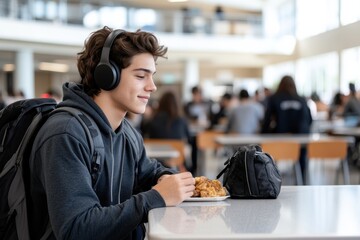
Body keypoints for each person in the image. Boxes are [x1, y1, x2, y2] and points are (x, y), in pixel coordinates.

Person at [28, 26, 195, 240]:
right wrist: (156, 197)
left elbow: (147, 173)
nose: (152, 86)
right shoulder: (66, 133)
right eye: (141, 76)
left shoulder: (126, 132)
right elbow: (76, 229)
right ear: (107, 75)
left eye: (152, 76)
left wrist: (166, 178)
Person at [261, 75, 312, 183]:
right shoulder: (302, 99)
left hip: (279, 139)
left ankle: (270, 181)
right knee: (301, 157)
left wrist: (263, 134)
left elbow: (267, 120)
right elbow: (310, 119)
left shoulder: (274, 98)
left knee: (270, 156)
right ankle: (301, 181)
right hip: (300, 139)